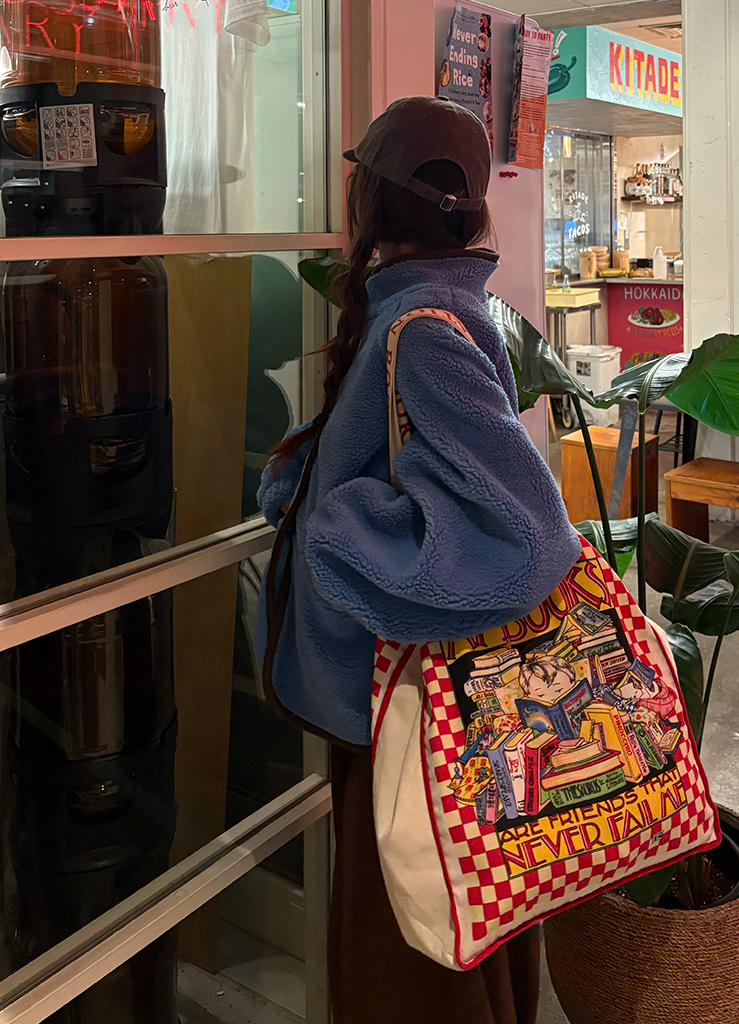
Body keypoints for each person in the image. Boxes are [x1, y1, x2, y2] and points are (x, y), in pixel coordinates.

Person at [257, 96, 580, 1024]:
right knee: (447, 925)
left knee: (411, 957)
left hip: (404, 703)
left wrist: (338, 530)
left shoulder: (427, 329)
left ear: (371, 201)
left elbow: (525, 535)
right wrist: (308, 477)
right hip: (406, 699)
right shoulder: (423, 310)